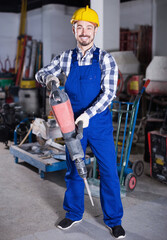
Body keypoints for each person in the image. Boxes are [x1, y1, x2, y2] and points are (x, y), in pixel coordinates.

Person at [35, 5, 125, 239]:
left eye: (88, 27)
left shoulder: (105, 59)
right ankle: (73, 213)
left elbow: (109, 93)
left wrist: (88, 114)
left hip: (98, 125)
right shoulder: (66, 58)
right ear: (74, 30)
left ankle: (114, 220)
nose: (84, 32)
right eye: (79, 27)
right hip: (71, 125)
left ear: (95, 30)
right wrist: (50, 77)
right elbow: (40, 73)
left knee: (108, 172)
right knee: (74, 169)